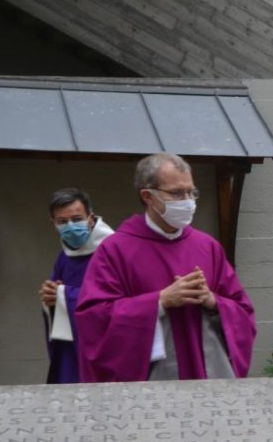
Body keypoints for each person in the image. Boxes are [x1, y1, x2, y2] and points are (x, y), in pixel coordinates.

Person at [75, 152, 256, 382]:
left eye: (191, 192)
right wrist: (159, 301)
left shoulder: (208, 247)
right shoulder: (115, 250)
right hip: (151, 381)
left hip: (206, 375)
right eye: (177, 193)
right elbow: (93, 319)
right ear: (148, 196)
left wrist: (212, 302)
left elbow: (243, 311)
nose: (188, 201)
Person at [38, 187, 114, 383]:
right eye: (62, 222)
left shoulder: (114, 250)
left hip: (109, 348)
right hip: (73, 347)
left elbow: (119, 303)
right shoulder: (64, 257)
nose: (70, 225)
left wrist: (63, 295)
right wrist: (51, 301)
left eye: (77, 218)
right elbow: (57, 297)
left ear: (90, 217)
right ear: (52, 224)